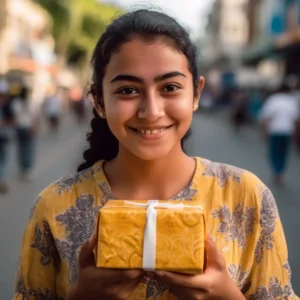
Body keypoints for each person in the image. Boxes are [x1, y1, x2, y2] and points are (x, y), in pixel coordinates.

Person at [13, 9, 298, 300]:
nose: (151, 111)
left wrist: (227, 296)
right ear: (99, 101)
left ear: (196, 94)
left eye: (170, 87)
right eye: (127, 90)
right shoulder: (55, 205)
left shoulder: (246, 197)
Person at [260, 83, 300, 185]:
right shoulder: (292, 101)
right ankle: (280, 172)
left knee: (274, 152)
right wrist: (296, 133)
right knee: (283, 153)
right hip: (287, 131)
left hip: (275, 131)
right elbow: (296, 120)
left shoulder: (273, 100)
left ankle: (276, 171)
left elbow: (266, 118)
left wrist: (264, 132)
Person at [13, 86, 40, 181]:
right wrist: (35, 127)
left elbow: (15, 117)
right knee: (29, 149)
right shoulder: (31, 103)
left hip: (20, 128)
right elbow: (35, 116)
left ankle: (23, 168)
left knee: (21, 149)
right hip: (28, 128)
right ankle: (27, 169)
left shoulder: (16, 103)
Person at [0, 78, 14, 194]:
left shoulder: (7, 107)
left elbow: (11, 120)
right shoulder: (7, 106)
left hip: (3, 136)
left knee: (3, 159)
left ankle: (2, 180)